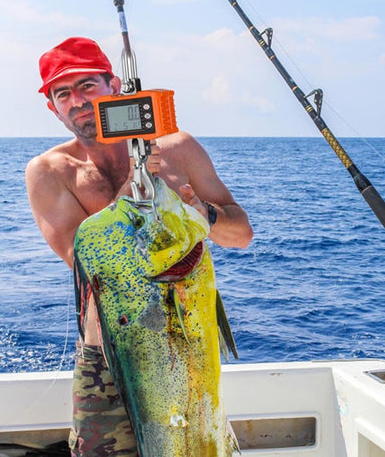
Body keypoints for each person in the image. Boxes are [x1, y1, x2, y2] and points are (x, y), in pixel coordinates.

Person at [25, 37, 253, 456]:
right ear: (52, 108)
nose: (76, 101)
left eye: (86, 86)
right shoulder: (50, 172)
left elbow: (241, 234)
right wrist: (138, 183)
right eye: (63, 94)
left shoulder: (178, 148)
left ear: (115, 86)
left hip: (184, 334)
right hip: (109, 357)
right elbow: (93, 260)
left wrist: (203, 213)